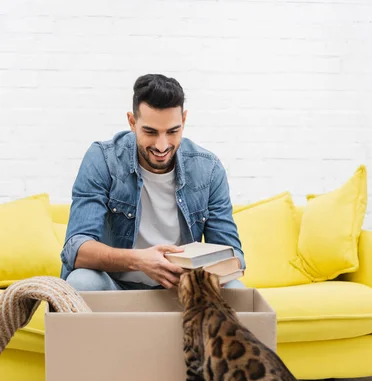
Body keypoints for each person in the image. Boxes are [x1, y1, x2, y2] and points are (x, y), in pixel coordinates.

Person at [61, 73, 245, 291]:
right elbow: (75, 248)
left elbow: (234, 256)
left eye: (172, 131)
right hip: (115, 286)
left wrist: (194, 270)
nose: (161, 145)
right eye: (150, 132)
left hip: (180, 292)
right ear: (132, 122)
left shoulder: (208, 169)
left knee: (235, 290)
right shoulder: (103, 159)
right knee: (82, 282)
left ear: (184, 120)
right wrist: (139, 260)